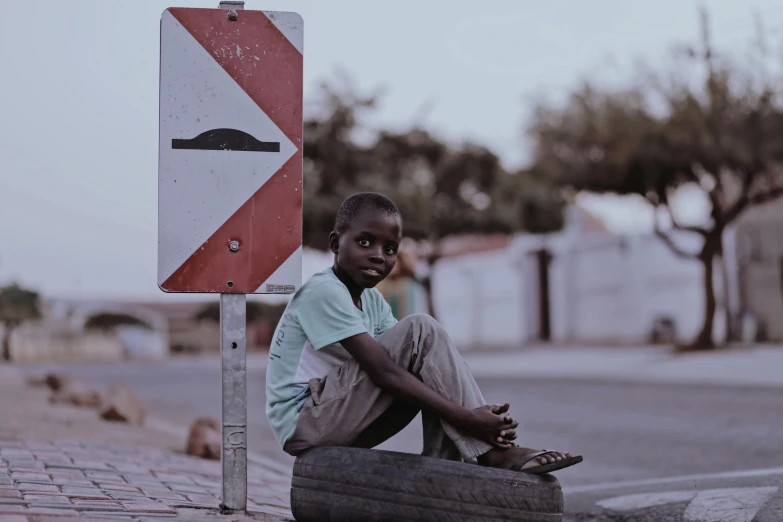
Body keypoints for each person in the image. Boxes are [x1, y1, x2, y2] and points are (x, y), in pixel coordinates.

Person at [265, 192, 582, 474]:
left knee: (425, 363)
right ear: (336, 244)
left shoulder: (372, 300)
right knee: (421, 329)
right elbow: (385, 372)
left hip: (333, 415)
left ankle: (446, 470)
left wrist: (468, 413)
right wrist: (468, 417)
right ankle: (491, 454)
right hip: (304, 418)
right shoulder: (323, 291)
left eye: (390, 248)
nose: (379, 255)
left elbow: (414, 363)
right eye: (365, 242)